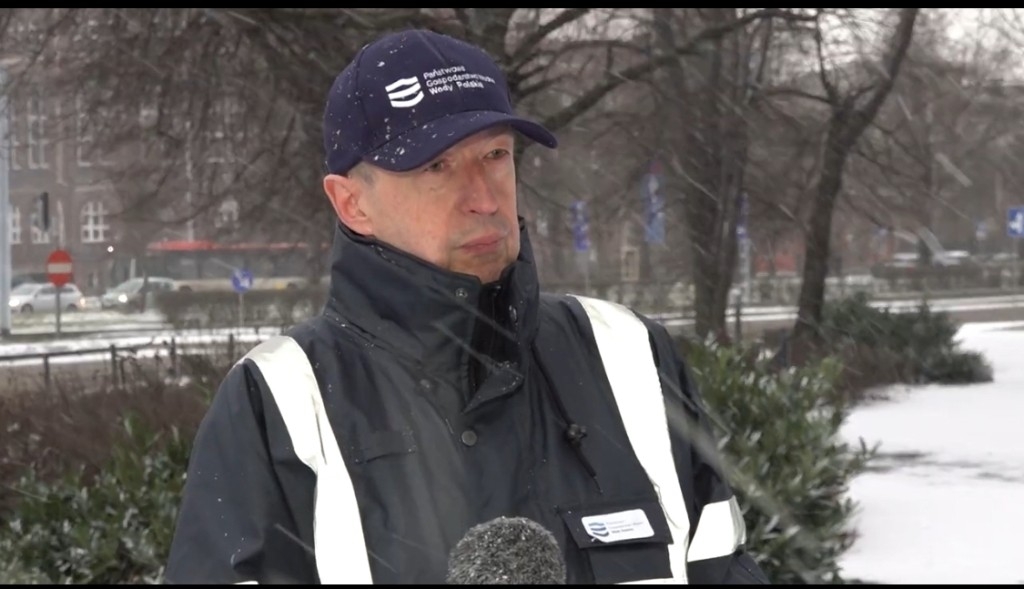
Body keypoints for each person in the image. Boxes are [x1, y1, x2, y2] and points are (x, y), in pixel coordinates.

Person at [165, 28, 770, 585]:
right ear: (352, 203)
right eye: (437, 166)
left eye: (496, 156)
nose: (483, 198)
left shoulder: (631, 356)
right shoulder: (277, 403)